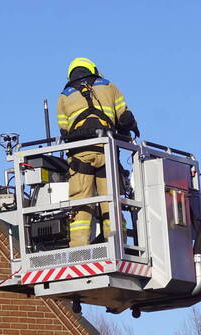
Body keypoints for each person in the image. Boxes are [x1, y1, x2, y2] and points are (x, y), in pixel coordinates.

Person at [56, 57, 139, 247]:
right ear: (93, 69)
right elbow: (124, 118)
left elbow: (64, 130)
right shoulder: (109, 86)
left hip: (79, 154)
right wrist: (129, 133)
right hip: (106, 153)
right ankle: (116, 243)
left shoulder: (63, 96)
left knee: (81, 203)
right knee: (111, 203)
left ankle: (79, 248)